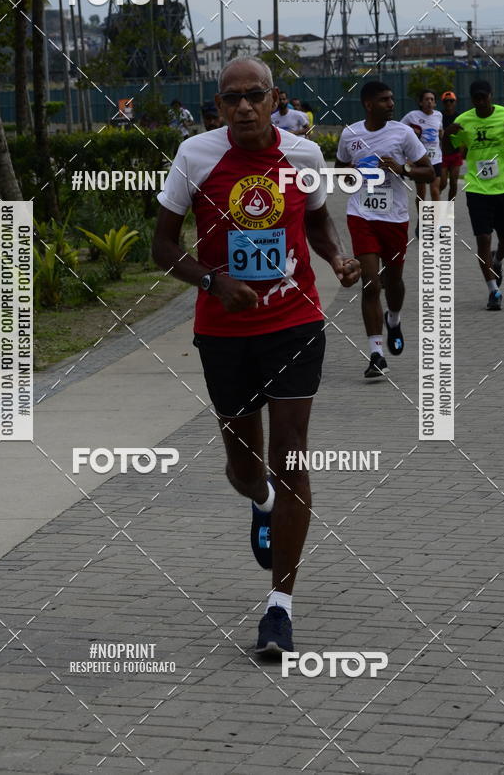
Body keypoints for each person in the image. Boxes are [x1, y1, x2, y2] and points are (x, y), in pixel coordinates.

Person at [153, 56, 360, 655]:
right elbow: (161, 246)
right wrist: (213, 282)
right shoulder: (195, 155)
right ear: (217, 106)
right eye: (230, 97)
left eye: (254, 95)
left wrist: (338, 257)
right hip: (224, 332)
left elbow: (319, 225)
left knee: (291, 454)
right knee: (246, 470)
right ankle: (261, 503)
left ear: (275, 99)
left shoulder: (303, 156)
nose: (243, 106)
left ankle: (279, 608)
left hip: (294, 323)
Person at [335, 80, 434, 379]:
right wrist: (353, 174)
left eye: (391, 98)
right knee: (371, 284)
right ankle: (376, 354)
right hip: (361, 214)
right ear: (368, 104)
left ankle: (394, 318)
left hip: (394, 217)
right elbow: (340, 173)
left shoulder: (402, 133)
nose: (391, 104)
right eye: (384, 99)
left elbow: (429, 171)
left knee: (393, 283)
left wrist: (402, 169)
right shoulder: (350, 134)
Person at [443, 79, 504, 310]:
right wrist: (446, 137)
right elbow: (449, 151)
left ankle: (497, 260)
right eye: (476, 98)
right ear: (472, 99)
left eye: (484, 97)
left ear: (491, 96)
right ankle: (494, 291)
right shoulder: (464, 121)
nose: (480, 102)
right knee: (482, 238)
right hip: (477, 188)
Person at [401, 90, 444, 235]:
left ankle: (437, 223)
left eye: (432, 99)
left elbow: (440, 132)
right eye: (426, 99)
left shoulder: (439, 115)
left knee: (435, 191)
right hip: (420, 160)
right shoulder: (412, 116)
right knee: (421, 194)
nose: (429, 102)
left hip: (436, 159)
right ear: (421, 102)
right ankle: (422, 220)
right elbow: (400, 130)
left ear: (435, 102)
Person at [440, 91, 464, 200]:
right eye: (446, 101)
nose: (449, 103)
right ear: (443, 103)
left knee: (454, 183)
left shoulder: (460, 117)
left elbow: (463, 136)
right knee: (443, 183)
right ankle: (436, 200)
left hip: (456, 154)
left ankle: (449, 209)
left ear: (455, 102)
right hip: (442, 154)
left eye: (451, 101)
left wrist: (461, 154)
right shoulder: (439, 116)